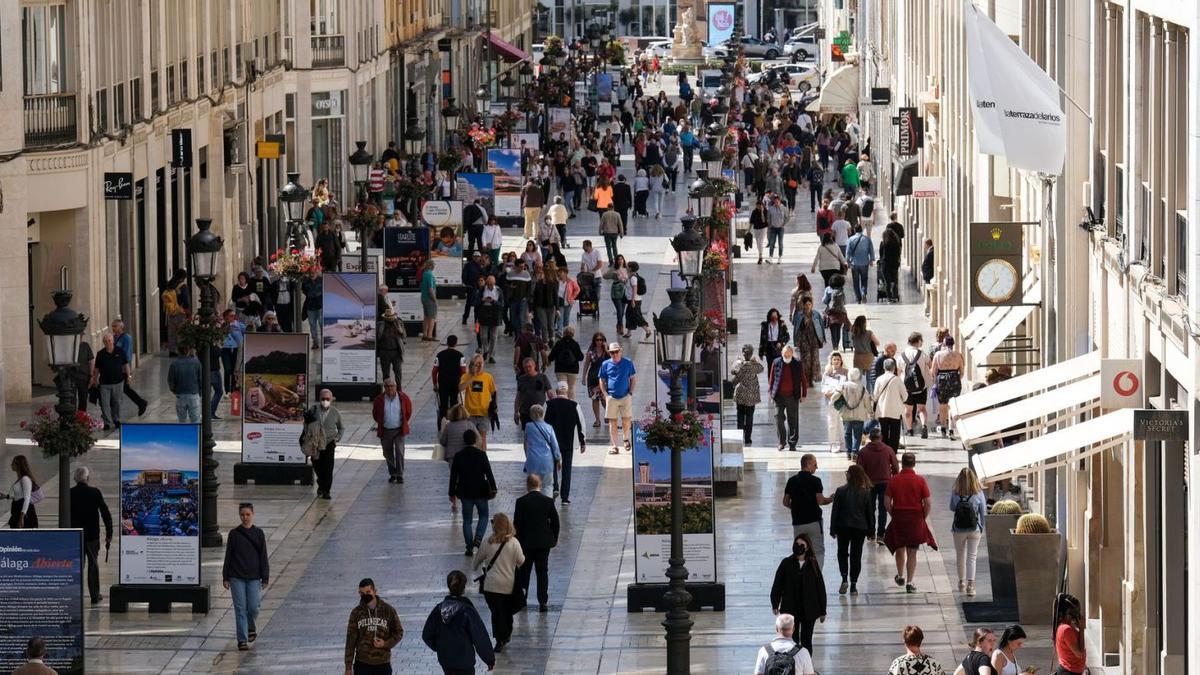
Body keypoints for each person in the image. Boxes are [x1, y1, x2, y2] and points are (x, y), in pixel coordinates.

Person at [421, 570, 497, 675]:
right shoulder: (467, 610)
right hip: (465, 660)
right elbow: (479, 637)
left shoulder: (438, 610)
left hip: (446, 660)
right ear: (464, 588)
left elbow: (426, 634)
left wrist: (441, 647)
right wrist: (489, 659)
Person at [472, 513, 526, 653]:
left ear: (495, 526)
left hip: (491, 586)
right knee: (506, 612)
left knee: (496, 613)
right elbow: (521, 561)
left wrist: (477, 566)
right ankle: (506, 635)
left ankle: (499, 639)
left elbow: (476, 562)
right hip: (509, 585)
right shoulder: (514, 543)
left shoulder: (487, 542)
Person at [884, 453, 936, 593]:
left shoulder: (894, 480)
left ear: (902, 463)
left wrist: (893, 514)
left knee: (900, 548)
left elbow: (886, 502)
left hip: (899, 517)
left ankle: (900, 575)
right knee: (912, 552)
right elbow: (928, 503)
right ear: (914, 464)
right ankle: (910, 582)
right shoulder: (920, 481)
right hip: (915, 519)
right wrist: (922, 516)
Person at [769, 534, 827, 657]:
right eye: (796, 544)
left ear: (807, 548)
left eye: (802, 545)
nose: (798, 547)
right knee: (791, 641)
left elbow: (820, 588)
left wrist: (823, 611)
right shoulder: (786, 563)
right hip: (791, 609)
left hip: (809, 610)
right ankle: (792, 666)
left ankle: (806, 666)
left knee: (807, 641)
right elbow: (777, 584)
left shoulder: (813, 564)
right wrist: (775, 603)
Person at [223, 502, 269, 651]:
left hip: (254, 577)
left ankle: (251, 627)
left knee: (254, 607)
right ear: (239, 515)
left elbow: (263, 556)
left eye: (248, 514)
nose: (245, 517)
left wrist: (265, 576)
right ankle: (242, 640)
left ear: (253, 514)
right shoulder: (234, 534)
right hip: (237, 576)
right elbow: (228, 555)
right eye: (242, 514)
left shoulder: (258, 533)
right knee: (240, 608)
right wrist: (226, 576)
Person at [513, 474, 560, 612]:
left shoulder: (521, 502)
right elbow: (555, 522)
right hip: (543, 543)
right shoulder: (547, 501)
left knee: (524, 573)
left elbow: (517, 524)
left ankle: (523, 599)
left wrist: (517, 540)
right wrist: (554, 538)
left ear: (527, 486)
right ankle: (543, 602)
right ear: (539, 485)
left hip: (526, 544)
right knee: (542, 572)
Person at [449, 429, 497, 555]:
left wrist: (451, 493)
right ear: (475, 440)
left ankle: (469, 547)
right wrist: (494, 487)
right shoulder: (481, 454)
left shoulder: (458, 456)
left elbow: (453, 476)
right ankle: (478, 539)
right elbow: (489, 472)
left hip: (465, 492)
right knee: (484, 516)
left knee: (467, 520)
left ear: (464, 441)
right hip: (481, 490)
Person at [69, 467, 113, 603]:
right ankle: (94, 595)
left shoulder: (69, 493)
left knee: (76, 566)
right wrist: (109, 532)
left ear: (75, 479)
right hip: (92, 535)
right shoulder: (95, 492)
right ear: (87, 478)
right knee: (93, 565)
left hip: (75, 535)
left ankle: (74, 595)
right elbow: (105, 513)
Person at [830, 464, 874, 595]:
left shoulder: (840, 491)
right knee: (856, 555)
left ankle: (844, 578)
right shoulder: (866, 492)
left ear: (849, 475)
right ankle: (854, 584)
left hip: (843, 527)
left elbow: (835, 512)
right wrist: (871, 530)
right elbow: (869, 513)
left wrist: (832, 528)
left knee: (842, 553)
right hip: (859, 528)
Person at [344, 578, 403, 675]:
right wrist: (348, 667)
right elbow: (350, 640)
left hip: (383, 663)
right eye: (362, 593)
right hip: (362, 664)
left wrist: (385, 643)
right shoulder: (356, 613)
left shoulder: (388, 610)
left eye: (368, 592)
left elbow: (399, 632)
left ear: (374, 591)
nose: (365, 595)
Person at [783, 454, 831, 567]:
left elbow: (785, 502)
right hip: (814, 521)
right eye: (815, 464)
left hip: (798, 522)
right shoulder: (816, 481)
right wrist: (830, 499)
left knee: (800, 550)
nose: (816, 467)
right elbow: (820, 501)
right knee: (818, 550)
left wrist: (795, 507)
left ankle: (800, 573)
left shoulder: (792, 481)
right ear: (808, 464)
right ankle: (816, 576)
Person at [949, 467, 988, 597]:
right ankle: (971, 585)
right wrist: (981, 527)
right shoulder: (978, 492)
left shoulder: (956, 492)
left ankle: (961, 582)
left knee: (960, 555)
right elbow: (983, 512)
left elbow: (952, 507)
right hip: (974, 528)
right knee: (972, 557)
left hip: (958, 529)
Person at [545, 382, 586, 504]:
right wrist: (582, 441)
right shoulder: (574, 405)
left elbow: (544, 423)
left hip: (552, 442)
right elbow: (581, 424)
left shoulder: (549, 404)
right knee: (567, 469)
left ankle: (554, 487)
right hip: (568, 442)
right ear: (567, 392)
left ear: (556, 392)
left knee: (552, 466)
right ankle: (565, 497)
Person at [857, 428, 899, 542]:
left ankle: (871, 534)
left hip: (869, 485)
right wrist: (893, 476)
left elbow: (859, 471)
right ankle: (881, 534)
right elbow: (896, 467)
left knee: (870, 509)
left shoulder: (863, 452)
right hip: (885, 483)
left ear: (870, 438)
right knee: (883, 509)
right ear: (881, 437)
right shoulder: (888, 450)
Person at [372, 379, 412, 484]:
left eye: (392, 386)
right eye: (387, 386)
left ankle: (399, 474)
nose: (390, 388)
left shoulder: (403, 398)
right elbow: (375, 414)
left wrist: (402, 423)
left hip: (399, 430)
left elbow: (408, 412)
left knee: (399, 451)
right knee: (387, 453)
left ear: (395, 386)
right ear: (384, 388)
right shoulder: (379, 400)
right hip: (385, 431)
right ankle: (392, 473)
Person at [599, 342, 637, 454]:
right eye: (612, 352)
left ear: (620, 351)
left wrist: (630, 392)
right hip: (611, 396)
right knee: (612, 422)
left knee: (626, 420)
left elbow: (633, 378)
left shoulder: (628, 363)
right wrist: (605, 394)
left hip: (625, 396)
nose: (614, 354)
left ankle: (626, 439)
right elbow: (601, 379)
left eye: (616, 352)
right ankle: (615, 446)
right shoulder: (605, 364)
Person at [770, 345, 808, 452]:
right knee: (778, 418)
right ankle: (782, 442)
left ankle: (792, 443)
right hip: (779, 396)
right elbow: (772, 378)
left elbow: (803, 380)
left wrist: (803, 394)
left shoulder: (797, 363)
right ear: (782, 354)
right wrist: (770, 392)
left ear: (792, 354)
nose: (786, 357)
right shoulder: (776, 362)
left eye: (788, 355)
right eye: (785, 355)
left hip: (793, 396)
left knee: (793, 420)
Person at [311, 389, 345, 499]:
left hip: (329, 443)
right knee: (317, 465)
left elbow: (341, 428)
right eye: (323, 399)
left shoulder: (335, 412)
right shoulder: (313, 410)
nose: (325, 401)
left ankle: (326, 491)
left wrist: (337, 438)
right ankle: (321, 483)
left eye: (327, 399)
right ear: (319, 399)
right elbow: (306, 424)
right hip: (316, 443)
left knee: (328, 468)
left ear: (331, 399)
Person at [111, 319, 149, 416]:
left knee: (124, 388)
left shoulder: (126, 338)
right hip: (115, 368)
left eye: (115, 326)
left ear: (121, 327)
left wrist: (128, 373)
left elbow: (127, 355)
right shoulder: (114, 338)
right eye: (112, 326)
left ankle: (141, 403)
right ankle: (141, 403)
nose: (113, 328)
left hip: (123, 369)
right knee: (124, 389)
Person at [459, 355, 497, 450]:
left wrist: (495, 407)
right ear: (472, 365)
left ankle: (482, 457)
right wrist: (473, 377)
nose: (479, 366)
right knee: (471, 438)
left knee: (482, 438)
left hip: (483, 412)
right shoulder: (466, 376)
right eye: (477, 364)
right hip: (470, 413)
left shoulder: (488, 377)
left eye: (481, 363)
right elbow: (460, 388)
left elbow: (494, 393)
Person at [93, 333, 130, 430]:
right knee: (104, 404)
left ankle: (116, 419)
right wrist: (94, 379)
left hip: (118, 382)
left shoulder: (120, 351)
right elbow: (96, 368)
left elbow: (125, 365)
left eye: (109, 340)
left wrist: (129, 376)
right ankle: (107, 422)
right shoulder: (100, 354)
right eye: (106, 341)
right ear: (103, 343)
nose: (108, 342)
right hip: (104, 384)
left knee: (116, 402)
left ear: (113, 341)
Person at [522, 405, 561, 492]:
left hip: (532, 460)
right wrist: (558, 459)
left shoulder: (528, 426)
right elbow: (555, 445)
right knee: (547, 485)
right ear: (543, 414)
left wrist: (527, 456)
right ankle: (547, 503)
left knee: (533, 486)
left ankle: (534, 503)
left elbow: (525, 443)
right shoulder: (549, 427)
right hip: (547, 461)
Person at [900, 332, 932, 439]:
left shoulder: (902, 355)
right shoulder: (922, 354)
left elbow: (898, 370)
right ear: (918, 341)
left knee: (908, 410)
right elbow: (930, 364)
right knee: (922, 409)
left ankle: (909, 430)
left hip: (907, 389)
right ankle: (924, 426)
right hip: (921, 387)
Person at [730, 345, 764, 446]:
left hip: (740, 393)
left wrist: (737, 361)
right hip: (751, 395)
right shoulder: (754, 365)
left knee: (740, 415)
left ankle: (739, 437)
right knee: (749, 416)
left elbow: (733, 371)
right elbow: (761, 369)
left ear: (743, 353)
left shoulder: (739, 364)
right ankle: (748, 438)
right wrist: (755, 361)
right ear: (752, 353)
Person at [931, 336, 965, 438]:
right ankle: (951, 429)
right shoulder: (958, 355)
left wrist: (935, 382)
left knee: (943, 405)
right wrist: (956, 379)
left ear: (944, 344)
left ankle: (943, 428)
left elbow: (933, 371)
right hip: (954, 378)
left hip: (942, 380)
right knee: (952, 405)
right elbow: (962, 372)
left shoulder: (938, 355)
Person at [873, 358, 907, 453]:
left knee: (883, 431)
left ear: (884, 367)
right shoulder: (897, 380)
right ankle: (892, 452)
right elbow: (905, 396)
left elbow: (875, 395)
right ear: (894, 368)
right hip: (895, 411)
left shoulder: (879, 379)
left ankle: (883, 451)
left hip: (882, 410)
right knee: (895, 433)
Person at [433, 336, 467, 425]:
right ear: (456, 343)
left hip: (443, 382)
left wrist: (435, 384)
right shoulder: (460, 355)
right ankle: (453, 422)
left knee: (443, 404)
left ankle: (442, 423)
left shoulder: (439, 355)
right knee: (454, 403)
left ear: (447, 343)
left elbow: (434, 371)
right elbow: (463, 371)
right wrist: (462, 384)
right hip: (455, 383)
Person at [791, 297, 824, 386]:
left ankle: (812, 379)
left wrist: (822, 339)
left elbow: (821, 326)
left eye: (809, 304)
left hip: (814, 341)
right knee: (805, 361)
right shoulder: (799, 315)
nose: (808, 306)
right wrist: (796, 341)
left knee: (815, 361)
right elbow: (796, 328)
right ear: (803, 305)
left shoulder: (816, 314)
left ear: (812, 305)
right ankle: (806, 380)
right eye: (806, 305)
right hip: (804, 341)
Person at [514, 357, 554, 428]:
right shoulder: (521, 379)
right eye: (525, 367)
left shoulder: (543, 377)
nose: (528, 369)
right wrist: (516, 412)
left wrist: (555, 406)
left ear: (534, 366)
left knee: (538, 432)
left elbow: (550, 393)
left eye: (530, 366)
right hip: (525, 411)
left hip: (538, 411)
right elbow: (518, 396)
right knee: (527, 433)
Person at [167, 347, 203, 423]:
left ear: (178, 351)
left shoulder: (174, 363)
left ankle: (183, 433)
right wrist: (200, 391)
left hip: (180, 394)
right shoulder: (196, 362)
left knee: (182, 421)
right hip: (193, 394)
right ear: (189, 351)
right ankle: (194, 434)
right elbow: (201, 379)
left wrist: (174, 390)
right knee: (195, 420)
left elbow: (170, 380)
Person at [581, 332, 610, 428]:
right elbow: (586, 364)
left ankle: (607, 414)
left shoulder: (607, 351)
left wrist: (606, 349)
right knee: (595, 399)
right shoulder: (591, 352)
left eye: (601, 340)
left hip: (604, 379)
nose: (599, 342)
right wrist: (583, 377)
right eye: (597, 340)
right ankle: (597, 420)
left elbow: (613, 360)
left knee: (604, 398)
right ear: (594, 341)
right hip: (593, 378)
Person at [1054, 593, 1087, 675]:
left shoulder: (1064, 627)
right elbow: (1079, 654)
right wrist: (1082, 630)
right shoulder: (1066, 629)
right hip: (1069, 671)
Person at [548, 326, 584, 398]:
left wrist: (548, 361)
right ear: (573, 334)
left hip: (560, 369)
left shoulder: (559, 343)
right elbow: (581, 357)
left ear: (564, 333)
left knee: (562, 387)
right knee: (571, 387)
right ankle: (571, 403)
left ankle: (563, 402)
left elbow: (551, 357)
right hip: (573, 370)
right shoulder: (575, 344)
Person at [4, 455, 39, 528]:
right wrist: (6, 496)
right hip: (17, 510)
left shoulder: (25, 479)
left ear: (18, 465)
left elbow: (27, 498)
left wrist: (22, 517)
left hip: (24, 513)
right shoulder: (20, 479)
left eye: (13, 463)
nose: (11, 465)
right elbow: (19, 495)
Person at [377, 308, 405, 384]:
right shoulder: (380, 325)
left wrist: (400, 331)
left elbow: (404, 336)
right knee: (385, 373)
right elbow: (377, 338)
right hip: (384, 352)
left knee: (398, 371)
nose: (390, 319)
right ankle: (387, 389)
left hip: (396, 351)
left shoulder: (399, 323)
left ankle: (399, 389)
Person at [421, 260, 439, 341]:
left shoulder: (424, 273)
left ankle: (424, 334)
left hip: (424, 298)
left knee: (426, 317)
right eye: (433, 265)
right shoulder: (430, 274)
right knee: (432, 317)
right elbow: (431, 289)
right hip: (429, 299)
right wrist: (435, 300)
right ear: (431, 266)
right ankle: (430, 335)